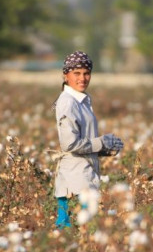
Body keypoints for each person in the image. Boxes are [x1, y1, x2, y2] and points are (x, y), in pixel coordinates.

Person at [52, 51, 123, 228]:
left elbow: (84, 140)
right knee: (77, 230)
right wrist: (102, 142)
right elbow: (70, 144)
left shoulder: (81, 101)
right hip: (75, 179)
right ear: (65, 75)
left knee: (79, 231)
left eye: (86, 73)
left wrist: (106, 148)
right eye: (76, 73)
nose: (82, 78)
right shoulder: (68, 101)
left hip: (83, 174)